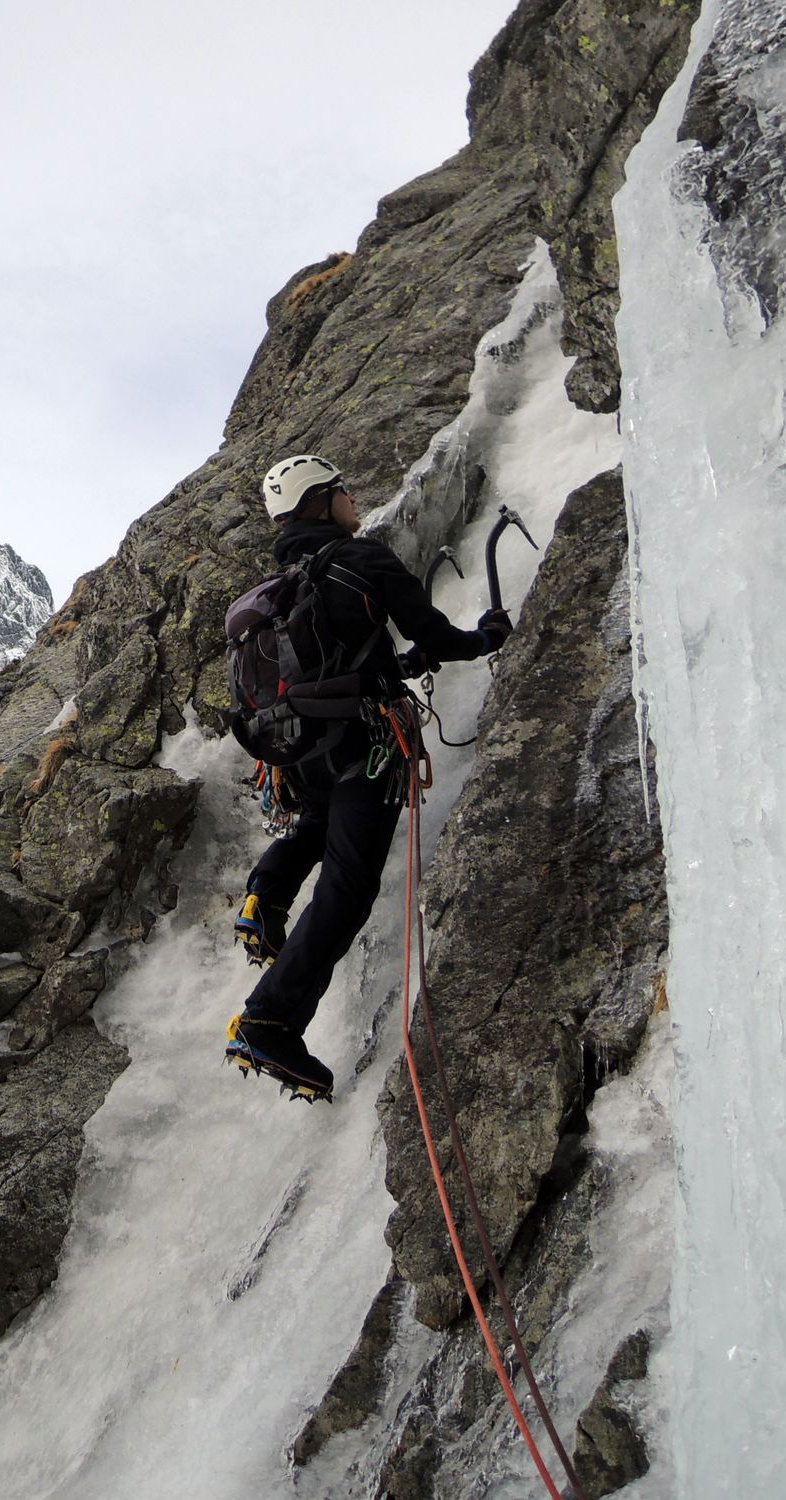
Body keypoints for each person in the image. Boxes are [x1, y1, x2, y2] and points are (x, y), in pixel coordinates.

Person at [224, 454, 512, 1100]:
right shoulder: (363, 562)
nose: (353, 498)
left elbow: (344, 658)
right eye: (341, 490)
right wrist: (486, 637)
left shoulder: (285, 588)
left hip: (307, 754)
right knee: (347, 893)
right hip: (367, 750)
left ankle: (265, 896)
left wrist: (394, 663)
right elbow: (435, 635)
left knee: (320, 827)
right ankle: (269, 1017)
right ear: (321, 503)